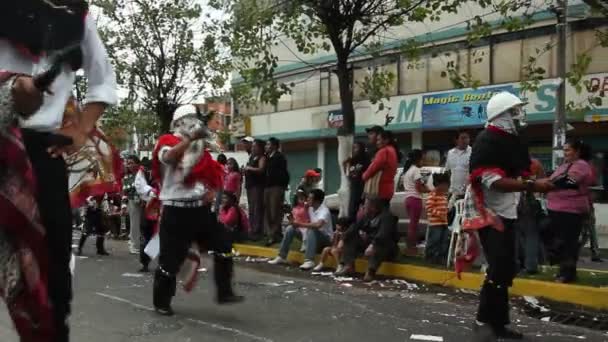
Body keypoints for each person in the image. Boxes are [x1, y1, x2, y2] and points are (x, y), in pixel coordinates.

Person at [0, 2, 117, 340]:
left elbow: (103, 79)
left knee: (53, 272)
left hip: (41, 150)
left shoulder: (74, 14)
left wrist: (81, 128)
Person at [467, 92, 554, 340]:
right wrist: (532, 186)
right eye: (514, 111)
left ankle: (497, 323)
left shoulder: (512, 140)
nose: (519, 115)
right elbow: (491, 181)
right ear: (501, 116)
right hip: (490, 213)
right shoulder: (487, 140)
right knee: (500, 266)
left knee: (505, 267)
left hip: (508, 211)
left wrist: (535, 180)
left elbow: (520, 172)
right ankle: (484, 322)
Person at [151, 105, 242, 316]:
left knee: (224, 244)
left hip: (200, 211)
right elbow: (169, 158)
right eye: (188, 119)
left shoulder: (199, 148)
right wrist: (190, 139)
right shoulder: (166, 141)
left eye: (195, 118)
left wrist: (210, 190)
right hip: (176, 211)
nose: (193, 123)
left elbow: (211, 175)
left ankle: (224, 291)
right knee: (169, 262)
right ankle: (161, 302)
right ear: (178, 123)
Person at [546, 139, 595, 283]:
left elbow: (569, 182)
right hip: (556, 209)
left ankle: (567, 274)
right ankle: (563, 271)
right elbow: (554, 180)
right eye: (564, 150)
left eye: (568, 150)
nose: (565, 153)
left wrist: (543, 185)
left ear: (577, 151)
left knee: (568, 243)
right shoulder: (566, 165)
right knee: (560, 242)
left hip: (570, 211)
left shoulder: (581, 165)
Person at [336, 196, 399, 281]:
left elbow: (383, 235)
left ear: (373, 207)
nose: (363, 207)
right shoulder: (366, 216)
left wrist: (372, 245)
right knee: (350, 237)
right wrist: (343, 239)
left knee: (378, 245)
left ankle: (370, 271)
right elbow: (354, 228)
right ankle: (349, 266)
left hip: (386, 247)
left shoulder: (387, 217)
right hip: (370, 243)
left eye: (366, 205)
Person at [269, 189, 333, 270]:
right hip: (310, 237)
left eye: (310, 198)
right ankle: (281, 256)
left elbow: (318, 225)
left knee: (311, 229)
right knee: (290, 229)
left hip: (325, 239)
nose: (308, 200)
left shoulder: (324, 211)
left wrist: (299, 224)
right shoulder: (310, 208)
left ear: (317, 200)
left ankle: (309, 260)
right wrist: (293, 221)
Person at [515, 158, 545, 275]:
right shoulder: (535, 163)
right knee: (531, 235)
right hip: (531, 201)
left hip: (517, 201)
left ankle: (522, 263)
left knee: (520, 234)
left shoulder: (513, 163)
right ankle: (531, 264)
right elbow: (542, 182)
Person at [402, 149, 430, 256]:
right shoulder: (416, 170)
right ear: (417, 159)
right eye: (422, 159)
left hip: (408, 199)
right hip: (415, 199)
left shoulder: (408, 170)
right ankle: (411, 249)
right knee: (413, 225)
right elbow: (419, 188)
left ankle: (410, 247)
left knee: (412, 225)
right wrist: (430, 190)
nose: (423, 162)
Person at [134, 161, 160, 273]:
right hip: (148, 206)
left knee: (160, 236)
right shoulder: (143, 171)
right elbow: (139, 185)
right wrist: (150, 191)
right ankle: (144, 262)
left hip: (162, 206)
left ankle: (161, 263)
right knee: (145, 235)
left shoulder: (167, 170)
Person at [362, 130, 400, 205]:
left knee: (376, 212)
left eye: (379, 140)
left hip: (379, 188)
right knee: (385, 209)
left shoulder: (383, 151)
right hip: (389, 188)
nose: (377, 142)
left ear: (386, 140)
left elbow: (374, 166)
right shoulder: (392, 150)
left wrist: (364, 176)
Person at [264, 137, 290, 245]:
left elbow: (284, 173)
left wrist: (282, 186)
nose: (266, 146)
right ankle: (273, 233)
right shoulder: (267, 157)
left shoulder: (279, 157)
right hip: (267, 187)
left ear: (274, 146)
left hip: (276, 187)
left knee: (275, 211)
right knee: (268, 212)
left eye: (268, 144)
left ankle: (274, 235)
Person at [425, 173, 450, 264]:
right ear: (438, 185)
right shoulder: (433, 195)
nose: (446, 187)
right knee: (434, 240)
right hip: (435, 223)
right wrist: (439, 214)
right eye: (444, 185)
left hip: (444, 222)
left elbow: (445, 207)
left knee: (443, 241)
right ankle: (430, 256)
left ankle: (440, 257)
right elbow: (429, 207)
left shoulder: (443, 196)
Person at [244, 139, 267, 240]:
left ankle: (257, 231)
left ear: (260, 148)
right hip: (250, 186)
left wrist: (249, 168)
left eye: (254, 146)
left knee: (257, 208)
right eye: (252, 146)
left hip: (257, 186)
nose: (252, 148)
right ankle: (252, 230)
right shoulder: (252, 157)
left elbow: (261, 169)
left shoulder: (262, 157)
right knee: (251, 209)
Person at [343, 142, 371, 219]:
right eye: (352, 148)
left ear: (361, 149)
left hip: (363, 189)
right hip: (354, 189)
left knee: (364, 211)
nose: (353, 150)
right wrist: (345, 163)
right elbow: (348, 175)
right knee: (352, 211)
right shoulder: (352, 161)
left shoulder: (366, 160)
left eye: (356, 148)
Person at [123, 155, 143, 255]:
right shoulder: (127, 177)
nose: (129, 165)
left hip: (145, 201)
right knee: (135, 224)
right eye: (128, 163)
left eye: (131, 163)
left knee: (143, 224)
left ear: (137, 163)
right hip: (133, 202)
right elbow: (125, 193)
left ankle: (136, 242)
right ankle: (135, 245)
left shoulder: (143, 173)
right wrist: (123, 205)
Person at [445, 130, 472, 199]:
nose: (466, 140)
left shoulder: (473, 152)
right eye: (463, 138)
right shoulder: (450, 153)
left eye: (467, 138)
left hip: (468, 194)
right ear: (456, 140)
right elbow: (448, 171)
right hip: (452, 192)